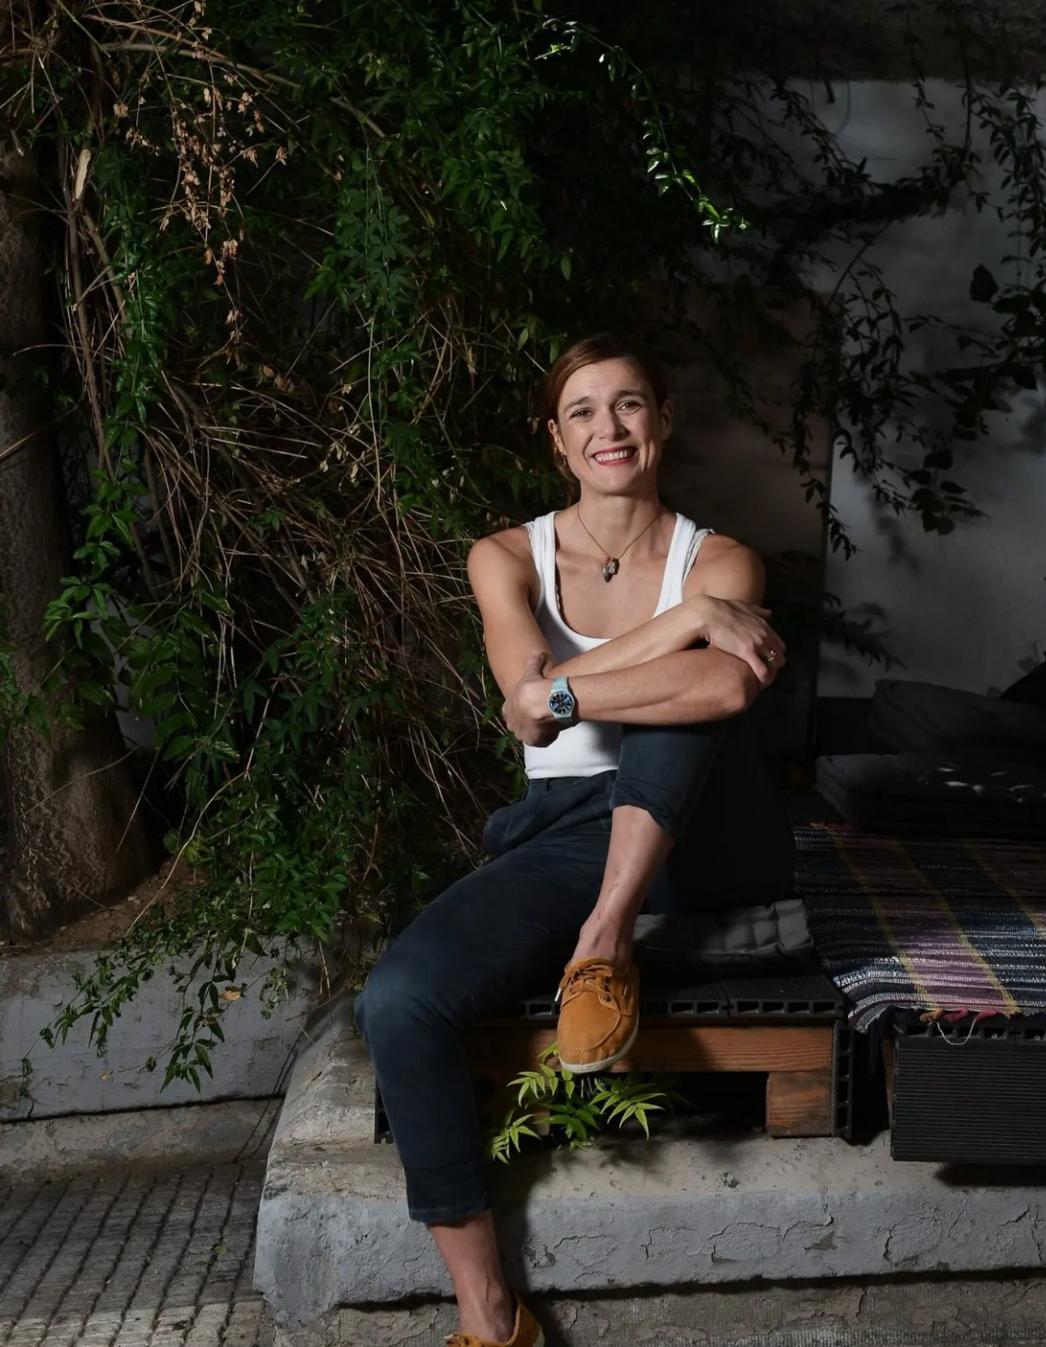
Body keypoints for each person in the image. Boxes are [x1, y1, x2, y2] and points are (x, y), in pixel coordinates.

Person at [355, 332, 794, 1347]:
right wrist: (685, 624)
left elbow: (716, 687)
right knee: (398, 1000)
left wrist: (561, 691)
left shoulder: (721, 559)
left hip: (704, 832)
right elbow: (524, 709)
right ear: (556, 440)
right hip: (563, 831)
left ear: (663, 420)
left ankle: (604, 945)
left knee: (692, 705)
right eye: (584, 412)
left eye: (630, 403)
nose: (610, 428)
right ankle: (490, 1315)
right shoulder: (506, 557)